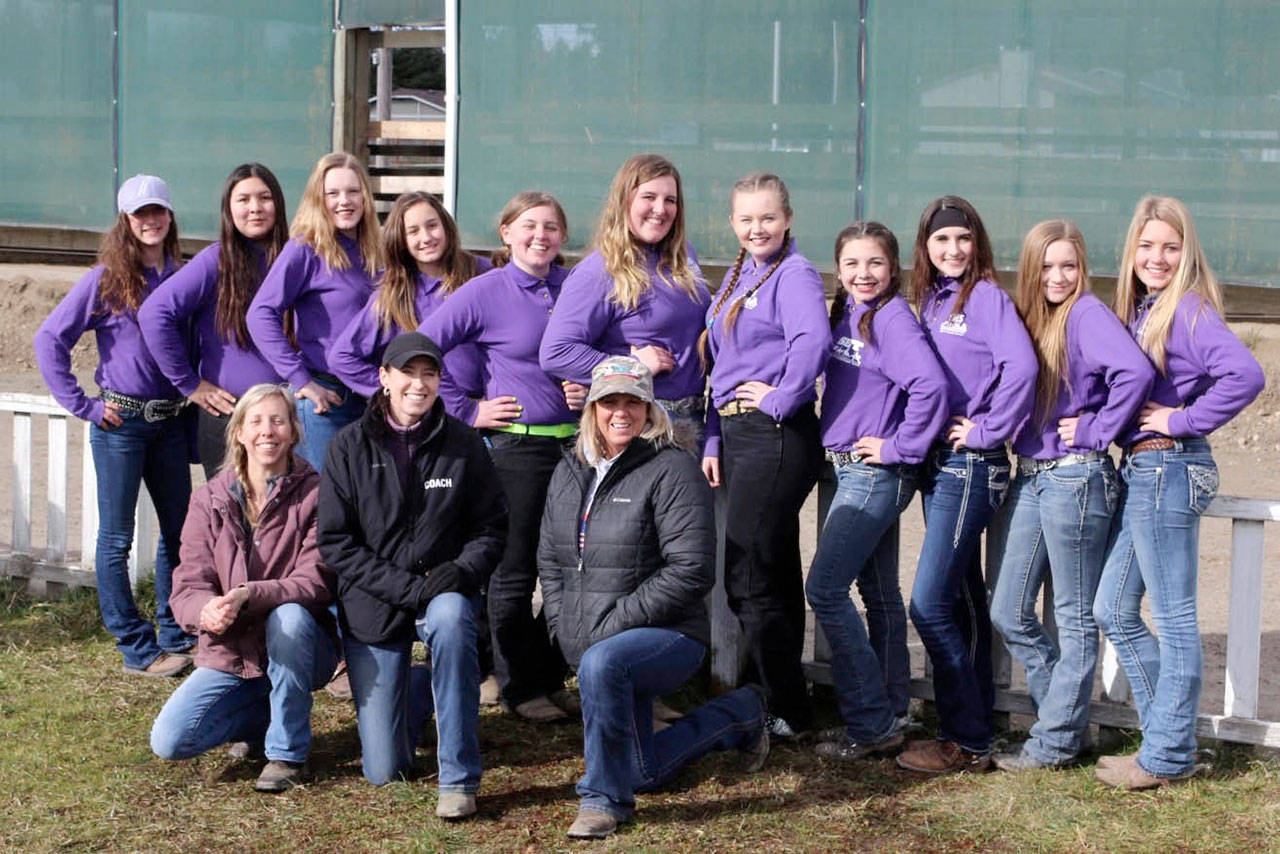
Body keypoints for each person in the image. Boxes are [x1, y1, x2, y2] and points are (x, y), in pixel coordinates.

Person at [539, 356, 769, 840]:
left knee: (603, 664)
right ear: (592, 408)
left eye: (633, 402)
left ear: (650, 409)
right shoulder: (568, 470)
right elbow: (551, 563)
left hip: (667, 636)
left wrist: (608, 628)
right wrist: (563, 625)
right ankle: (742, 712)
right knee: (643, 772)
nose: (620, 413)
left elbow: (691, 571)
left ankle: (602, 800)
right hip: (597, 640)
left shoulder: (672, 469)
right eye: (609, 402)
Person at [1093, 196, 1264, 790]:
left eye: (1170, 246)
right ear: (1131, 251)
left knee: (1175, 619)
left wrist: (1179, 420)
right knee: (1111, 609)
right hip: (1146, 471)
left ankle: (1165, 756)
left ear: (1186, 251)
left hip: (1169, 466)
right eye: (1146, 246)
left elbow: (1246, 374)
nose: (1157, 257)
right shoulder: (1144, 309)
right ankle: (1168, 739)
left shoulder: (1186, 310)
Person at [317, 332, 506, 819]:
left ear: (441, 381)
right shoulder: (348, 447)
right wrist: (406, 588)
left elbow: (491, 528)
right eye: (407, 372)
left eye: (429, 374)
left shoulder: (464, 445)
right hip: (375, 603)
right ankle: (420, 687)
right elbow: (336, 542)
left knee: (451, 622)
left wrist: (461, 570)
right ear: (384, 378)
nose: (418, 384)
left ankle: (458, 779)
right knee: (384, 769)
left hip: (444, 590)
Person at [987, 221, 1154, 772]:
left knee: (1075, 617)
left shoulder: (1085, 314)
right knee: (1008, 609)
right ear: (1031, 269)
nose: (1058, 277)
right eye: (1048, 266)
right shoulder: (1035, 319)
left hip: (1077, 476)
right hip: (1033, 474)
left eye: (1070, 266)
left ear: (1083, 268)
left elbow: (1134, 371)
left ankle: (1055, 742)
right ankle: (1067, 720)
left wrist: (1093, 430)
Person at [420, 191, 586, 723]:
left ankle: (543, 671)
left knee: (571, 568)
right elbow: (419, 349)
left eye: (552, 227)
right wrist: (466, 410)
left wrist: (590, 382)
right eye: (530, 226)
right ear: (507, 232)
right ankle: (517, 686)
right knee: (513, 573)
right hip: (517, 448)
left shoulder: (575, 286)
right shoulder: (485, 290)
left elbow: (592, 348)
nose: (541, 236)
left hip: (578, 447)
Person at [895, 196, 1038, 774]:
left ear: (977, 243)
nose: (953, 250)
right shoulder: (927, 302)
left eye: (963, 239)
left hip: (970, 466)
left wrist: (988, 429)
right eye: (941, 240)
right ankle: (974, 730)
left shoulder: (986, 297)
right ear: (925, 247)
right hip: (939, 464)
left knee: (927, 604)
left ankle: (967, 736)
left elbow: (1022, 368)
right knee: (963, 599)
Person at [34, 173, 195, 677]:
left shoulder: (182, 275)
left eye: (158, 211)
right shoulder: (106, 278)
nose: (151, 220)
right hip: (120, 424)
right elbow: (49, 339)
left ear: (170, 216)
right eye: (140, 213)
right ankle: (136, 646)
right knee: (117, 538)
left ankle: (174, 631)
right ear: (126, 220)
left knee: (180, 533)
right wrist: (82, 405)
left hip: (170, 423)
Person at [804, 222, 948, 761]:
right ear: (838, 268)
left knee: (824, 590)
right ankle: (892, 706)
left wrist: (897, 448)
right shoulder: (849, 312)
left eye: (876, 264)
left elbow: (929, 386)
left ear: (893, 269)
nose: (864, 274)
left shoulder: (891, 319)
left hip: (873, 474)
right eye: (853, 264)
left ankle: (868, 722)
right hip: (851, 468)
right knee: (880, 594)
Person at [150, 384, 339, 792]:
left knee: (288, 616)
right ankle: (266, 715)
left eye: (277, 420)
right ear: (238, 432)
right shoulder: (209, 499)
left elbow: (317, 580)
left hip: (300, 643)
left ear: (293, 431)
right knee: (170, 741)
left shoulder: (317, 494)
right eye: (255, 421)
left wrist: (250, 594)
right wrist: (205, 610)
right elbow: (186, 586)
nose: (267, 431)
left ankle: (286, 754)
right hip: (231, 651)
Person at [698, 173, 830, 737]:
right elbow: (720, 364)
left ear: (789, 218)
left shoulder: (794, 274)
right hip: (737, 434)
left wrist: (780, 398)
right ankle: (781, 700)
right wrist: (711, 435)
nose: (758, 228)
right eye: (747, 219)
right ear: (732, 223)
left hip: (775, 435)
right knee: (771, 573)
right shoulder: (741, 272)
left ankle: (783, 705)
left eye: (768, 218)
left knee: (748, 575)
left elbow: (813, 342)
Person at [540, 153, 710, 448]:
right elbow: (556, 352)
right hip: (639, 422)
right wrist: (631, 365)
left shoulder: (684, 258)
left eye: (670, 200)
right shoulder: (600, 270)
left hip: (691, 420)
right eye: (649, 197)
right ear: (624, 200)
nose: (660, 209)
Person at [139, 163, 289, 479]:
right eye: (243, 199)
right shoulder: (215, 261)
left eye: (264, 198)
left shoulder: (297, 258)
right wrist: (188, 383)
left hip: (288, 420)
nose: (255, 208)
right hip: (228, 420)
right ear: (228, 209)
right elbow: (154, 314)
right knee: (230, 523)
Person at [247, 152, 384, 471]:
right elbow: (260, 313)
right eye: (332, 193)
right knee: (327, 507)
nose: (344, 201)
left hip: (374, 396)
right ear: (318, 200)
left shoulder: (378, 252)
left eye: (353, 192)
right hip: (327, 401)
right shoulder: (305, 249)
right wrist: (301, 379)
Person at [330, 190, 491, 408]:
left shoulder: (482, 273)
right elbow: (342, 358)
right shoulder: (394, 294)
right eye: (413, 231)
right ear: (401, 240)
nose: (426, 238)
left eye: (432, 225)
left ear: (446, 226)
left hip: (486, 410)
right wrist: (397, 393)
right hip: (430, 415)